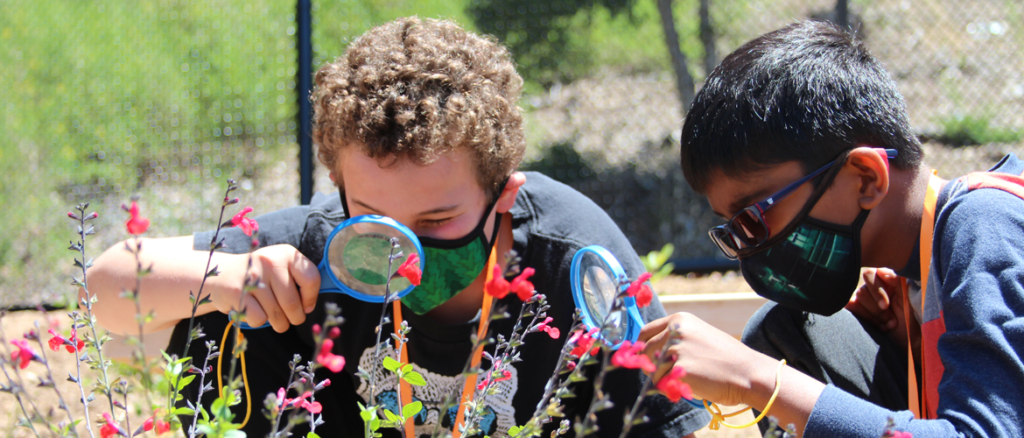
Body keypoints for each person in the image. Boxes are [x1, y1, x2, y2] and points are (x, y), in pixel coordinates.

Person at [87, 17, 709, 438]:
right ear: (340, 199)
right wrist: (228, 275)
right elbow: (103, 289)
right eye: (373, 222)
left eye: (437, 220)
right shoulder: (316, 247)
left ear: (506, 195)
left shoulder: (571, 257)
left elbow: (668, 415)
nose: (404, 253)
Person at [639, 20, 1024, 437]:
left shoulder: (986, 221)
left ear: (865, 178)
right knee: (788, 334)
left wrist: (757, 378)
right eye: (734, 228)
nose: (751, 242)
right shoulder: (915, 277)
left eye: (754, 213)